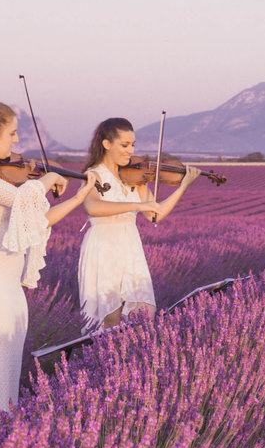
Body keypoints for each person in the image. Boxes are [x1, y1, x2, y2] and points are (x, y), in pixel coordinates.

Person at [0, 99, 98, 416]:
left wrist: (79, 197)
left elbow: (38, 218)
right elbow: (23, 198)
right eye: (12, 133)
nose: (16, 141)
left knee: (3, 368)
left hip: (4, 286)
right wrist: (45, 180)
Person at [78, 118, 199, 332]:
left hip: (130, 246)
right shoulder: (93, 175)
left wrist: (183, 187)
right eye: (124, 145)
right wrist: (136, 204)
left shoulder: (136, 176)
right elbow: (92, 207)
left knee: (143, 315)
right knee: (109, 321)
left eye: (132, 145)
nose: (130, 151)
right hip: (103, 248)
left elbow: (155, 215)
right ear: (107, 144)